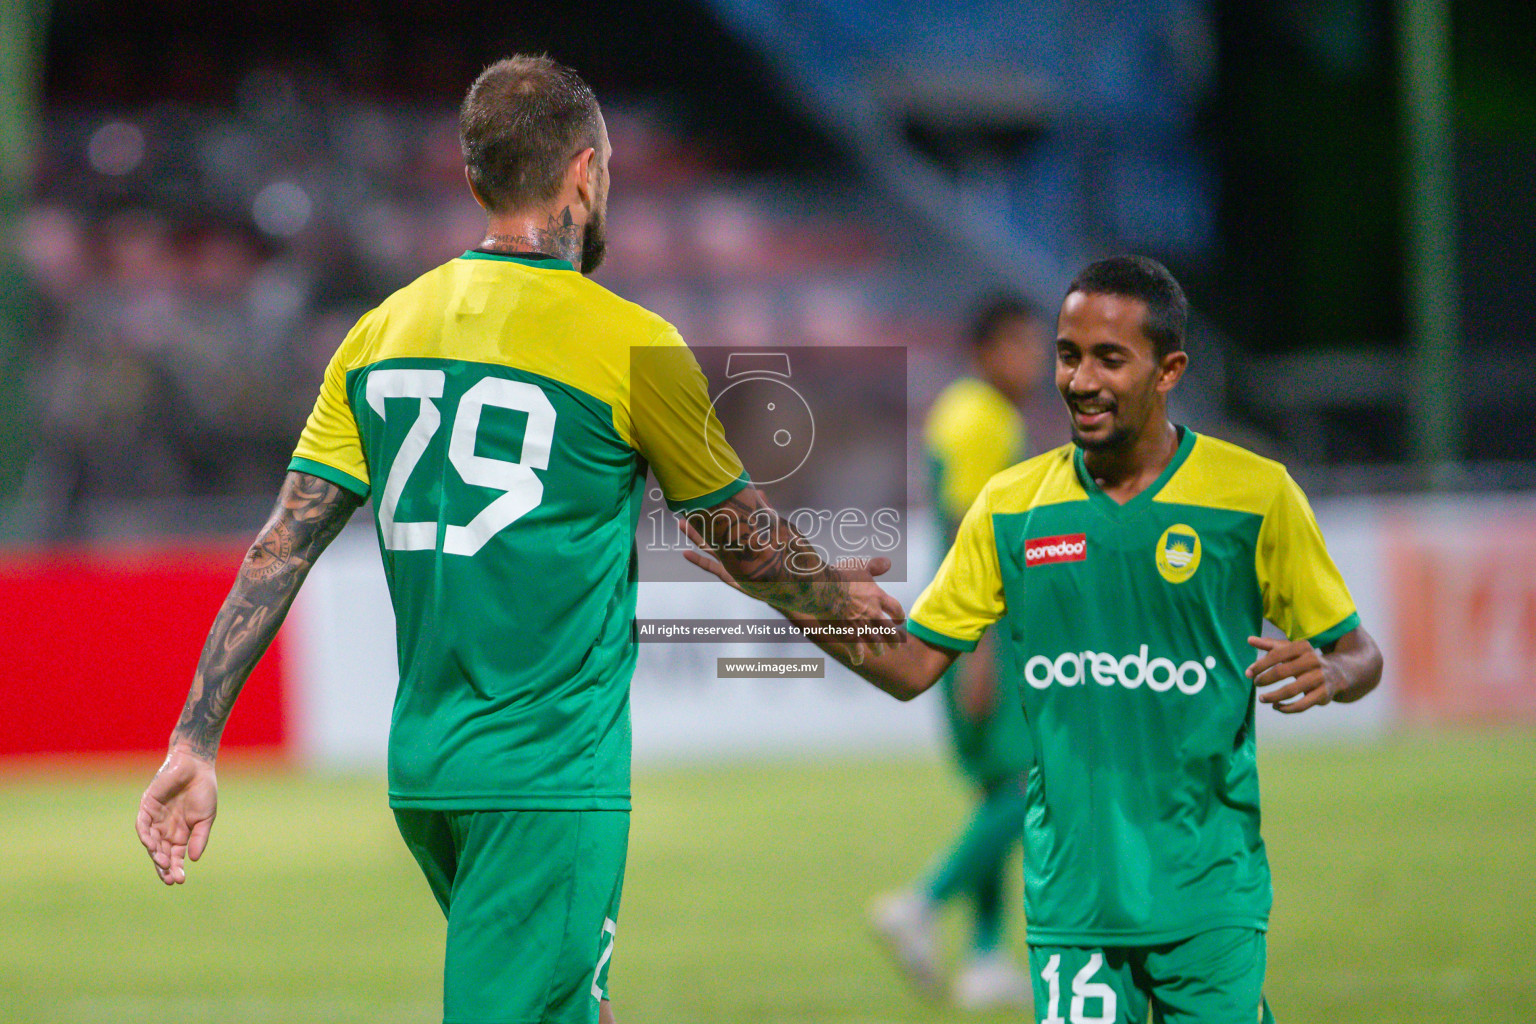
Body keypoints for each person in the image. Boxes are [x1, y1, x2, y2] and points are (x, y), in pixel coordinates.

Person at [135, 55, 903, 1024]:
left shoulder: (378, 332)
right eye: (610, 167)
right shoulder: (632, 343)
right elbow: (746, 543)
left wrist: (196, 737)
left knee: (572, 1001)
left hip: (427, 771)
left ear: (472, 178)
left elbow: (279, 547)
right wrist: (834, 595)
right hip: (545, 775)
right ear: (586, 171)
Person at [689, 255, 1383, 1023]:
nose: (1080, 380)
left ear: (1169, 369)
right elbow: (913, 662)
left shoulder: (1254, 495)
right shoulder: (1012, 506)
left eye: (1110, 358)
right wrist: (787, 589)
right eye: (1068, 354)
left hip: (1210, 894)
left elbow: (1360, 652)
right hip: (1072, 906)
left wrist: (1330, 669)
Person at [870, 296, 1047, 1009]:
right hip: (981, 628)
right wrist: (977, 645)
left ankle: (981, 958)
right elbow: (972, 537)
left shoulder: (958, 410)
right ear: (989, 349)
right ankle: (920, 903)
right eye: (1026, 346)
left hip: (961, 622)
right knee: (1029, 784)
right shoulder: (986, 420)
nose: (1037, 363)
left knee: (994, 790)